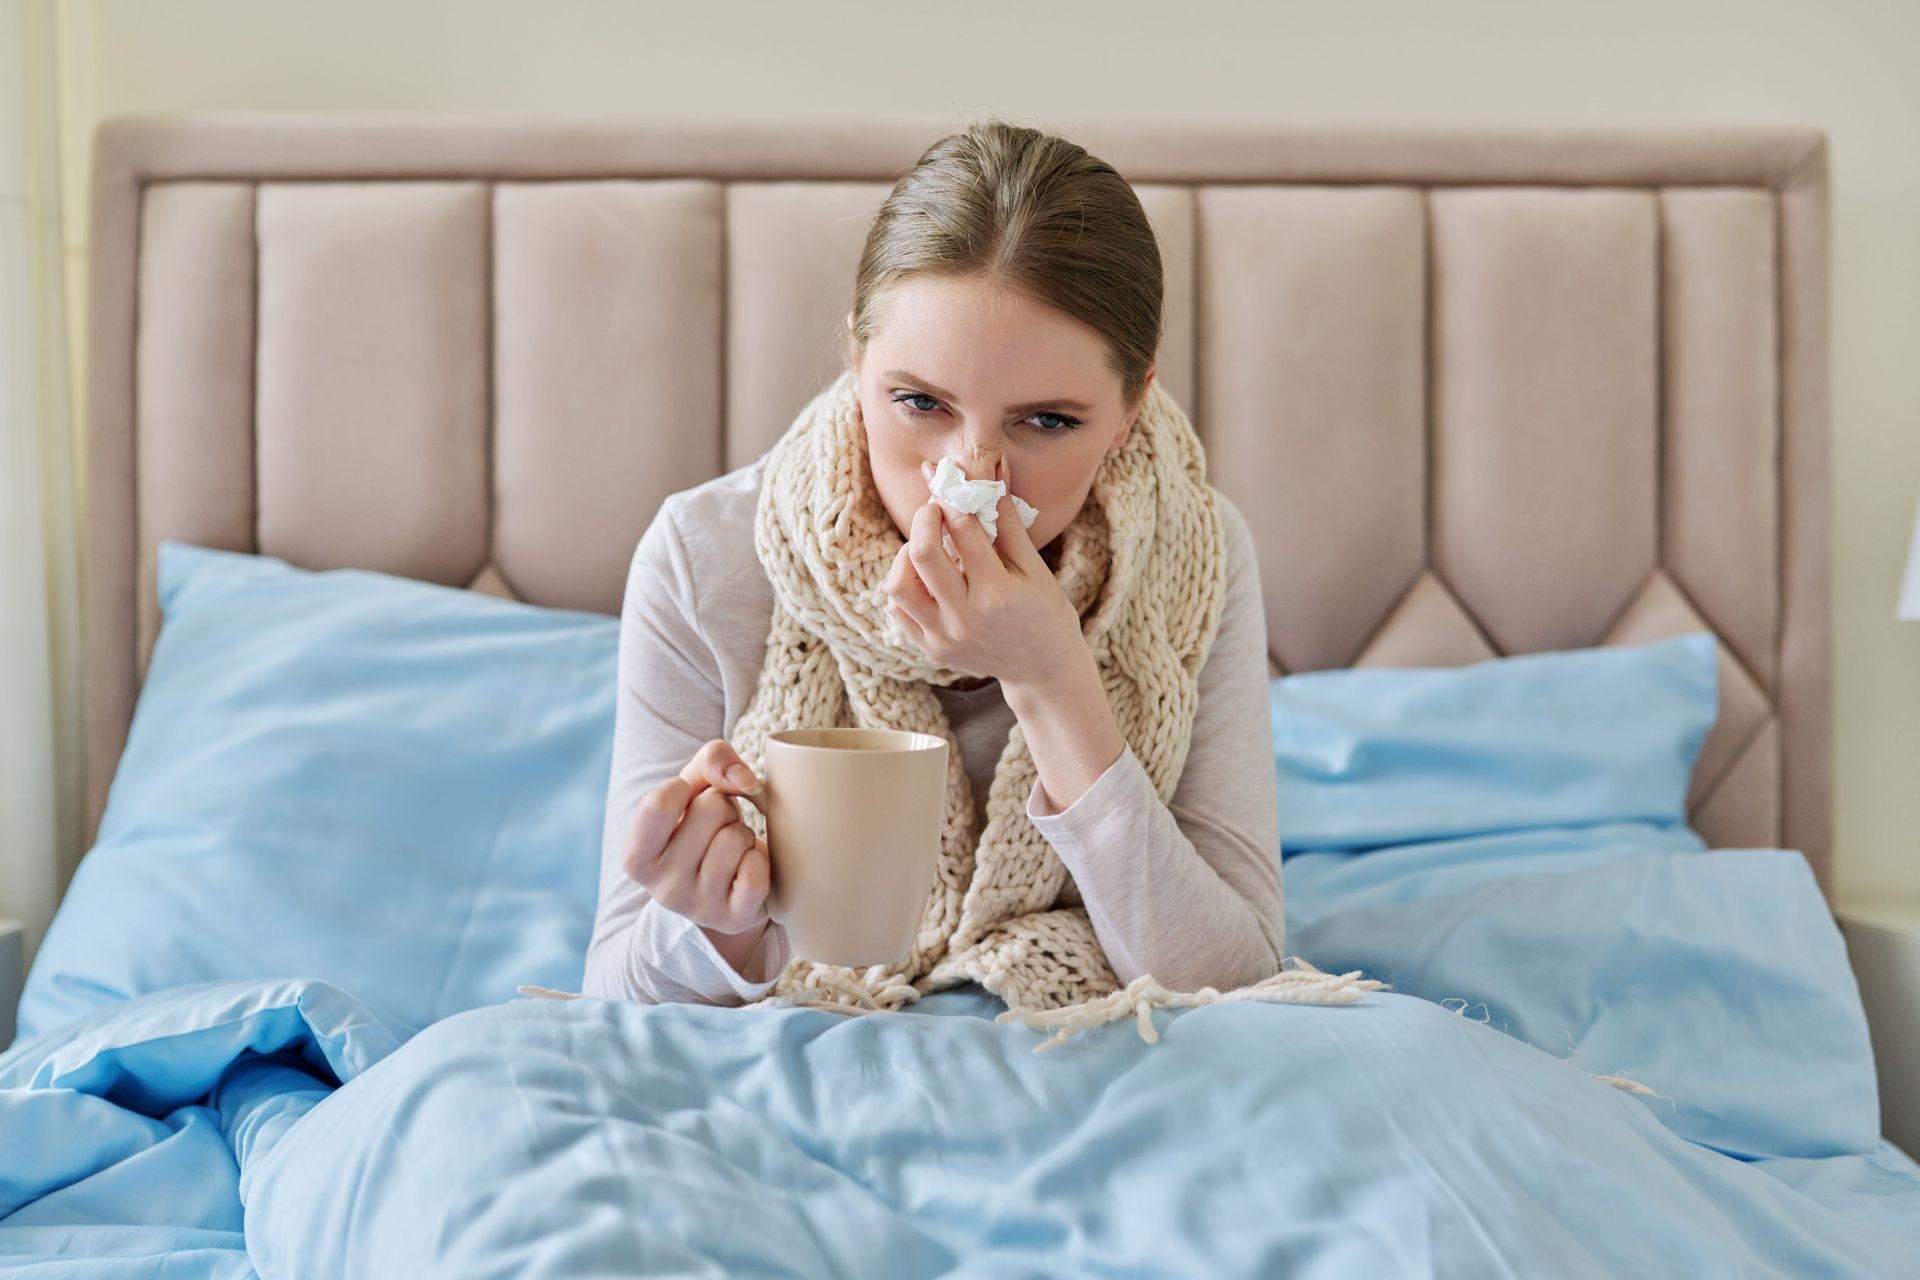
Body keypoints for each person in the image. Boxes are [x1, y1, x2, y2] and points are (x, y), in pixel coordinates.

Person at [580, 120, 1331, 1030]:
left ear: (1131, 409)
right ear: (857, 359)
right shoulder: (705, 558)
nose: (971, 477)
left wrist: (1054, 682)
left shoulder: (1198, 554)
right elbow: (613, 992)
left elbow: (1237, 978)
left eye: (1046, 421)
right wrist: (717, 931)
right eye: (918, 402)